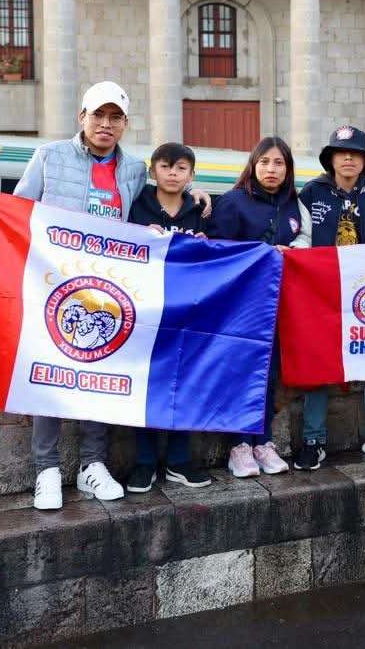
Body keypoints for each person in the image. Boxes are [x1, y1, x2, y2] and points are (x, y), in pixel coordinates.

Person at [12, 80, 147, 510]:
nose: (105, 124)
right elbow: (17, 212)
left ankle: (92, 465)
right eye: (98, 115)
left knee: (98, 379)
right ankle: (46, 471)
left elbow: (148, 215)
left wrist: (197, 196)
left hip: (107, 291)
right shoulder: (49, 156)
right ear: (81, 118)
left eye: (115, 117)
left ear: (125, 124)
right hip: (54, 287)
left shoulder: (135, 169)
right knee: (49, 376)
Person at [291, 125, 365, 471]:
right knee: (320, 362)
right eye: (341, 153)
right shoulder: (312, 193)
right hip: (323, 290)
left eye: (354, 153)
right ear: (330, 159)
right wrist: (296, 257)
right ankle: (313, 441)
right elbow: (303, 237)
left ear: (364, 161)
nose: (347, 158)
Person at [209, 136, 300, 478]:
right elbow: (219, 251)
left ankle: (263, 440)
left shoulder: (293, 204)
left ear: (288, 169)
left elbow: (303, 242)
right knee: (240, 372)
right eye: (265, 162)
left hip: (277, 306)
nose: (271, 169)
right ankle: (240, 445)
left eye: (279, 163)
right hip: (240, 306)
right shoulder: (233, 202)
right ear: (253, 165)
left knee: (269, 373)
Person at [124, 142, 212, 494]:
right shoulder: (137, 205)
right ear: (153, 170)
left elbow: (217, 257)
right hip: (145, 311)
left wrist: (206, 244)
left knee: (182, 384)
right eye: (165, 166)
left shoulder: (200, 211)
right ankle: (144, 463)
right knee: (145, 385)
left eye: (180, 168)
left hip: (187, 312)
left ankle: (178, 460)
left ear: (191, 175)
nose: (172, 174)